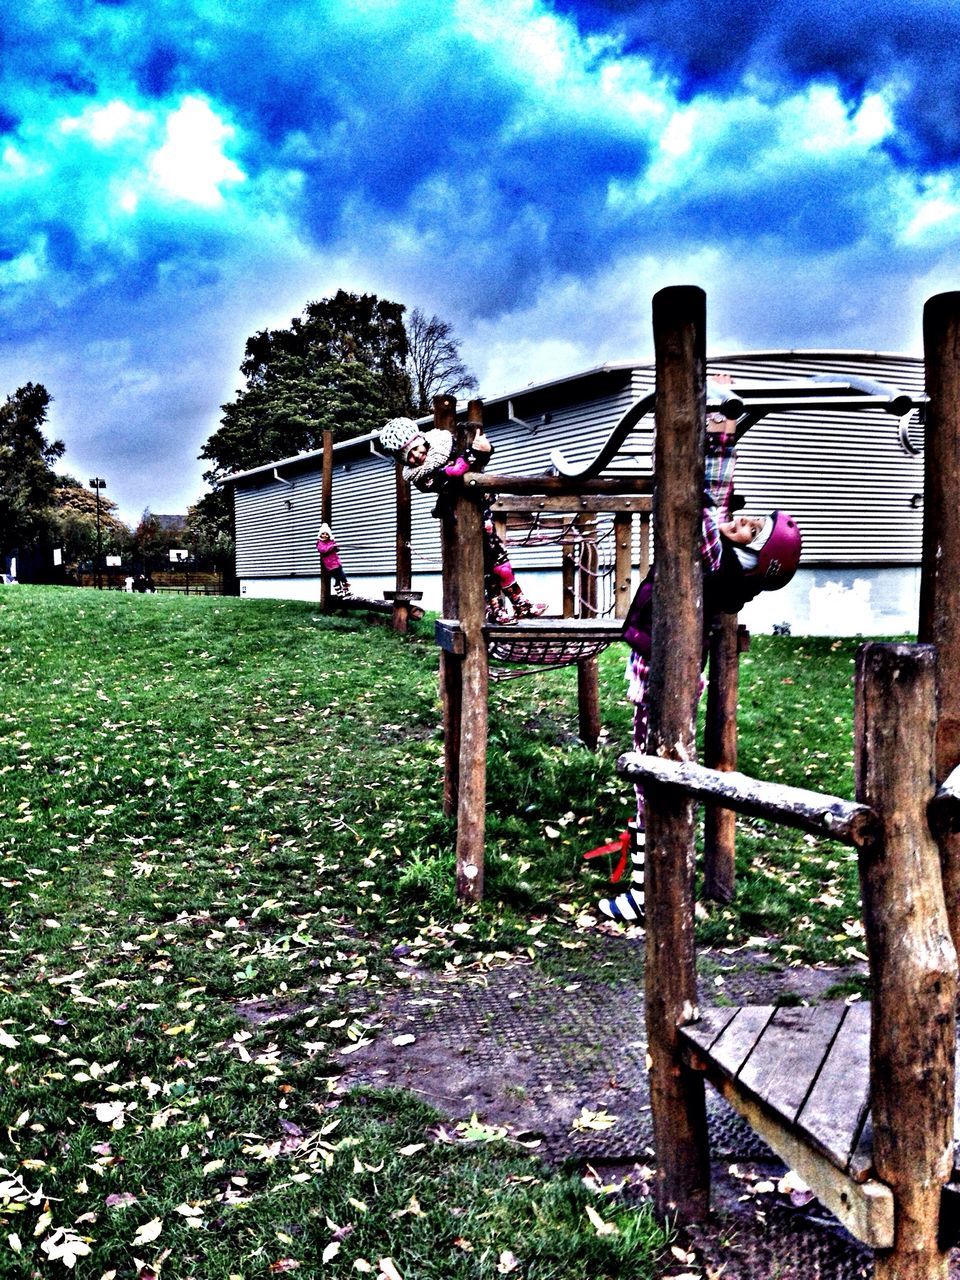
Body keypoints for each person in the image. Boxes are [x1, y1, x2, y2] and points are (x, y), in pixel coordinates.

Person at [599, 407, 802, 925]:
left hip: (663, 674)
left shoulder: (714, 555)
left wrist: (715, 436)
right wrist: (722, 436)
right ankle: (654, 884)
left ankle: (652, 893)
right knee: (658, 776)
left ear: (753, 557)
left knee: (653, 779)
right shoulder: (727, 563)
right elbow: (717, 504)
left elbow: (701, 498)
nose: (745, 521)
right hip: (665, 668)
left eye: (753, 531)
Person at [379, 417, 546, 624]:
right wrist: (476, 452)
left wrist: (486, 448)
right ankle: (504, 606)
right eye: (408, 456)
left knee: (497, 559)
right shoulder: (421, 477)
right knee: (486, 562)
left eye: (415, 448)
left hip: (482, 509)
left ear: (421, 438)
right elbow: (457, 470)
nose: (416, 456)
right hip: (462, 517)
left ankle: (514, 606)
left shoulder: (444, 441)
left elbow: (476, 459)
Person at [316, 523, 351, 597]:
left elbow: (335, 548)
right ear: (320, 534)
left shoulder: (331, 541)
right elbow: (323, 550)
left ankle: (344, 588)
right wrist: (332, 547)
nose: (325, 535)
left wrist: (336, 548)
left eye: (326, 534)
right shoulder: (320, 543)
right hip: (330, 564)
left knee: (342, 575)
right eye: (323, 534)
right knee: (338, 576)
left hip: (336, 562)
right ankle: (338, 587)